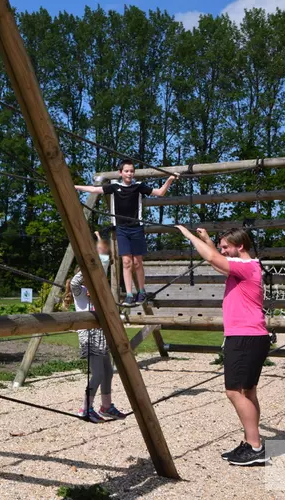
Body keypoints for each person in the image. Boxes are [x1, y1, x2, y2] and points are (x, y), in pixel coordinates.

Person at [175, 225, 270, 466]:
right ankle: (252, 442)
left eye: (226, 247)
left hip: (245, 338)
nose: (223, 251)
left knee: (234, 392)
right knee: (248, 392)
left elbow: (211, 258)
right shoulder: (247, 267)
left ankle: (256, 448)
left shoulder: (246, 267)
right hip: (251, 337)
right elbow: (216, 261)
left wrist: (188, 235)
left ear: (240, 246)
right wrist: (207, 239)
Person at [75, 160, 178, 306]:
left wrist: (170, 179)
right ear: (120, 173)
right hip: (122, 229)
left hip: (136, 227)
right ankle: (129, 294)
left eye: (132, 171)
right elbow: (94, 190)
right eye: (127, 171)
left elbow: (160, 193)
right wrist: (75, 187)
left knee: (137, 262)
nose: (129, 173)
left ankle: (141, 291)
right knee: (126, 262)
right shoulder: (115, 187)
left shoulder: (138, 187)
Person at [69, 233, 127, 423]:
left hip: (101, 335)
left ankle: (106, 406)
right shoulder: (80, 291)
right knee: (98, 374)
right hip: (89, 335)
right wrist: (91, 261)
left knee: (108, 372)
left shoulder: (97, 292)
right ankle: (85, 408)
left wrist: (102, 254)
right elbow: (77, 281)